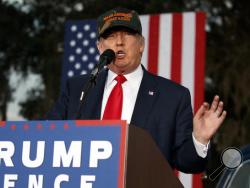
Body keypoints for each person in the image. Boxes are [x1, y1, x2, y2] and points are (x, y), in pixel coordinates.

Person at [47, 7, 226, 173]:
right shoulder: (78, 88)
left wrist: (199, 140)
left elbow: (188, 163)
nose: (119, 42)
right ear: (100, 47)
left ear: (141, 44)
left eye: (127, 34)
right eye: (110, 36)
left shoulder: (173, 96)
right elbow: (47, 137)